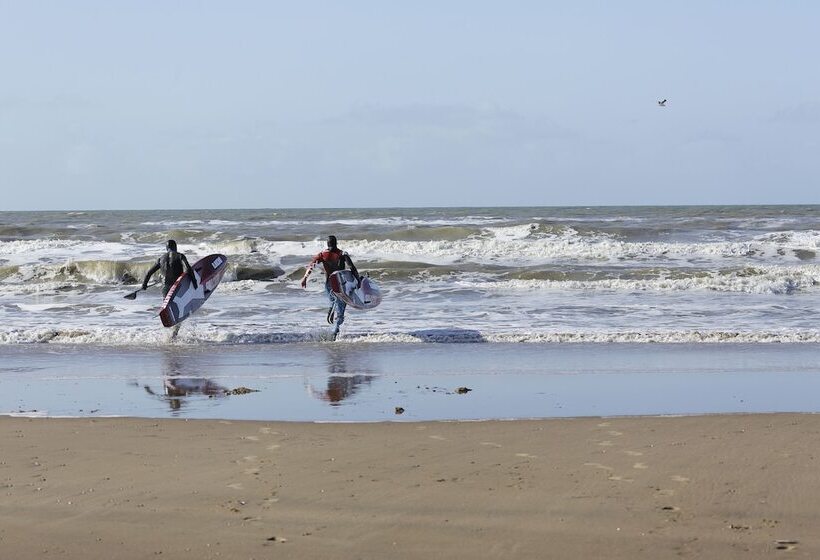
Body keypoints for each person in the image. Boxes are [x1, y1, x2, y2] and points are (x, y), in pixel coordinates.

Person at [300, 235, 360, 340]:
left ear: (327, 244)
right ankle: (334, 334)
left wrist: (305, 278)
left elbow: (311, 266)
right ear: (336, 243)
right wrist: (358, 280)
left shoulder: (322, 254)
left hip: (329, 284)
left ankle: (331, 308)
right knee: (340, 312)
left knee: (333, 301)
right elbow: (352, 268)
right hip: (341, 285)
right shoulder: (342, 254)